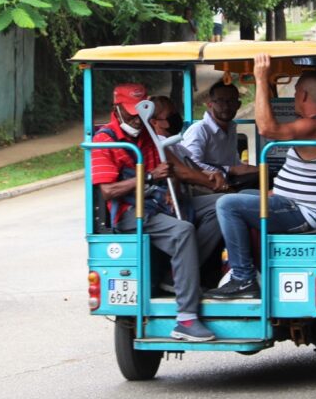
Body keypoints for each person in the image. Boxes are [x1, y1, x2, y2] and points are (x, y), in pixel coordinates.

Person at [91, 84, 224, 342]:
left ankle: (179, 274)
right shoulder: (104, 140)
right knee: (183, 231)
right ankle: (186, 318)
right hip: (130, 212)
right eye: (129, 112)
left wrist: (168, 187)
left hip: (156, 203)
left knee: (224, 206)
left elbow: (166, 170)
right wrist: (150, 178)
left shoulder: (148, 134)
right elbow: (108, 191)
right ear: (116, 109)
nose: (134, 118)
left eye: (138, 112)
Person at [205, 56, 316, 299]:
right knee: (243, 196)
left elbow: (267, 130)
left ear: (303, 96)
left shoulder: (314, 127)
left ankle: (243, 278)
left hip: (300, 212)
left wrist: (261, 78)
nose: (294, 98)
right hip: (290, 203)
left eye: (295, 92)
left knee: (227, 205)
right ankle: (239, 267)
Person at [181, 81, 259, 179]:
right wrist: (229, 170)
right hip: (208, 187)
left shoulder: (231, 128)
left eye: (231, 101)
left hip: (230, 182)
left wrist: (247, 168)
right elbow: (190, 165)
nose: (226, 106)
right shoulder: (199, 130)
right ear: (210, 104)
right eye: (220, 101)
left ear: (238, 105)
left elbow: (233, 163)